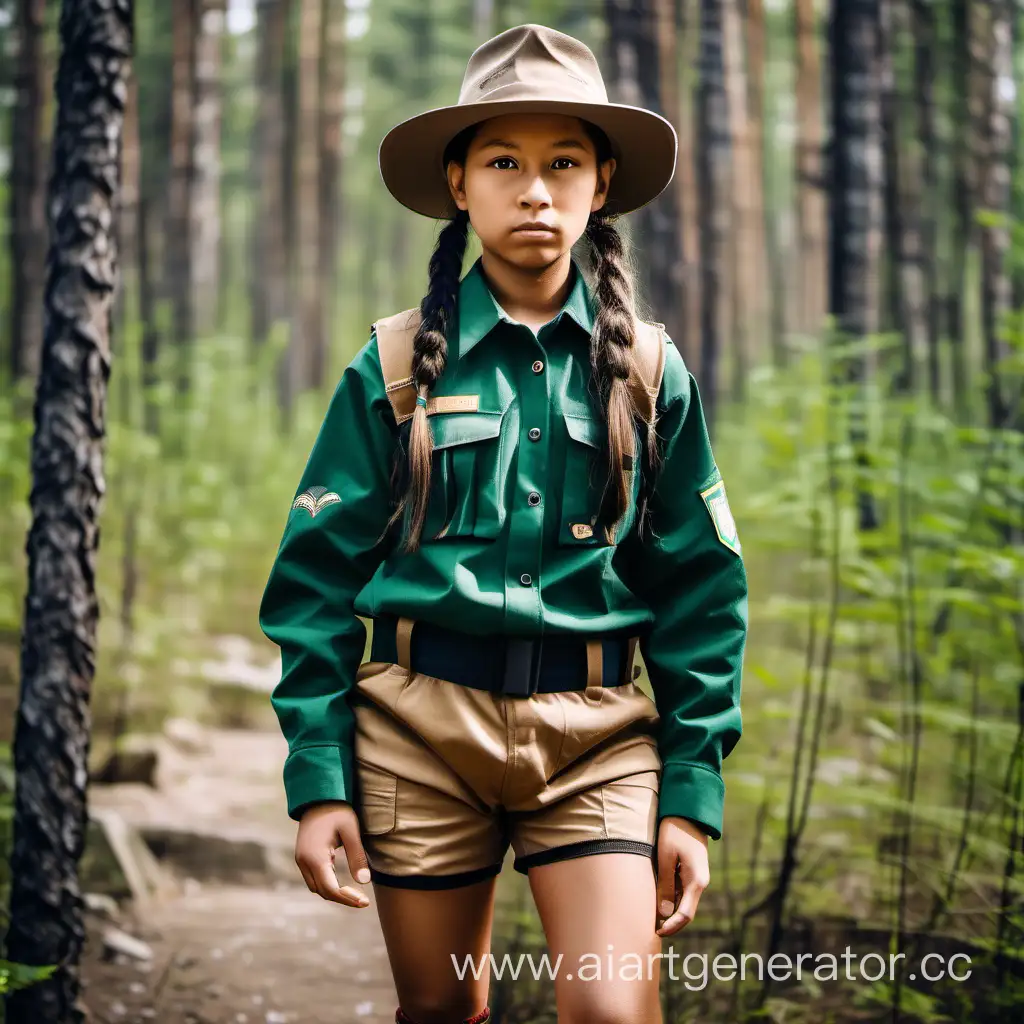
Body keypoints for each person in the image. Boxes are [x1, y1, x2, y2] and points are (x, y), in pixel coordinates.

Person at [259, 23, 747, 1024]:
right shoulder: (393, 368)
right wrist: (318, 779)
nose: (535, 190)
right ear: (459, 182)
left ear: (600, 182)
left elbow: (700, 590)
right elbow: (312, 582)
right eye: (504, 162)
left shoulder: (650, 374)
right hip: (416, 733)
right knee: (441, 1009)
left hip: (597, 737)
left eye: (562, 162)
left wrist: (691, 789)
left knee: (612, 1013)